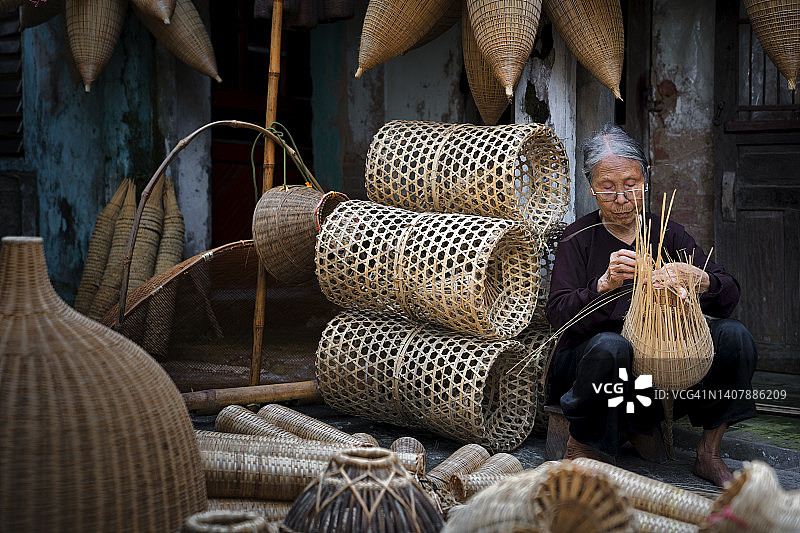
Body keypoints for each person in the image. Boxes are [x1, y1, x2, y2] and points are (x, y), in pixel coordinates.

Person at [545, 124, 757, 487]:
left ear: (646, 177)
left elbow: (729, 295)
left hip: (661, 364)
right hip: (595, 365)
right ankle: (580, 448)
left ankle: (709, 453)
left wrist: (700, 279)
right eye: (607, 188)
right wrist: (603, 285)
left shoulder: (668, 233)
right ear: (591, 186)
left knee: (734, 337)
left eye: (631, 183)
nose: (622, 197)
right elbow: (558, 315)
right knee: (613, 346)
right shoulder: (578, 237)